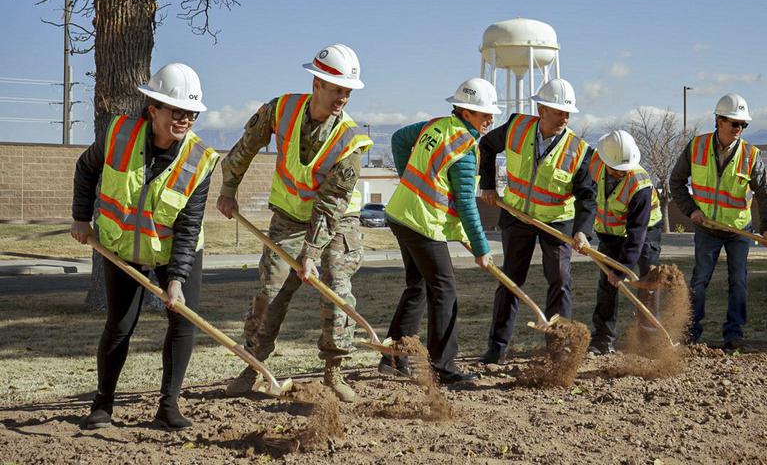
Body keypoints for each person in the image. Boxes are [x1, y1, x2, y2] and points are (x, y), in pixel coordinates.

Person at [71, 63, 219, 430]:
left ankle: (168, 406)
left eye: (191, 113)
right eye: (177, 111)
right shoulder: (118, 134)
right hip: (122, 246)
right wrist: (80, 217)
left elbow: (189, 224)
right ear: (153, 108)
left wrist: (176, 280)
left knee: (182, 321)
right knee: (119, 325)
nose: (185, 120)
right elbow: (86, 167)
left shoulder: (200, 160)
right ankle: (102, 405)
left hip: (175, 250)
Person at [220, 44, 372, 403]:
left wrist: (311, 253)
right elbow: (245, 146)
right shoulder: (281, 109)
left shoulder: (350, 140)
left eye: (348, 92)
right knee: (271, 293)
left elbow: (332, 203)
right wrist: (229, 187)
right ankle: (255, 364)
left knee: (335, 287)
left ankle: (334, 369)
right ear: (317, 82)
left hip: (336, 223)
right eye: (337, 89)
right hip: (288, 218)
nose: (343, 98)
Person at [379, 78, 499, 384]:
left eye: (490, 113)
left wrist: (410, 176)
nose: (489, 118)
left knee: (418, 286)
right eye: (482, 112)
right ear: (464, 111)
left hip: (400, 213)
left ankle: (394, 357)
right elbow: (468, 206)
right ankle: (443, 367)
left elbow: (398, 138)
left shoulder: (435, 125)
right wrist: (482, 249)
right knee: (444, 290)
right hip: (421, 223)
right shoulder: (464, 150)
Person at [477, 78, 596, 364]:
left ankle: (559, 350)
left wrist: (582, 232)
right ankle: (497, 348)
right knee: (510, 280)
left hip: (556, 222)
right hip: (517, 216)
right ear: (541, 109)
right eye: (558, 112)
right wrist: (489, 185)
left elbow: (587, 197)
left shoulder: (579, 151)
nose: (564, 119)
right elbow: (487, 145)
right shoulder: (517, 127)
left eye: (567, 114)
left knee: (560, 280)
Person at [669, 93, 767, 352]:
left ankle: (733, 335)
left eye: (743, 124)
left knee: (738, 281)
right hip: (707, 228)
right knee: (699, 281)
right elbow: (676, 182)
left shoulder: (751, 155)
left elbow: (765, 195)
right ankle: (691, 333)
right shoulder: (697, 147)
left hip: (738, 230)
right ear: (718, 120)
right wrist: (692, 211)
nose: (739, 129)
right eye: (734, 123)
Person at [588, 130, 664, 355]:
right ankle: (602, 340)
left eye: (624, 170)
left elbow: (636, 234)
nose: (621, 174)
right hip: (610, 233)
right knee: (606, 286)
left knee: (648, 283)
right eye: (616, 170)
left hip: (645, 232)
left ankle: (648, 341)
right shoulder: (593, 164)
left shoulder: (640, 185)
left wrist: (622, 270)